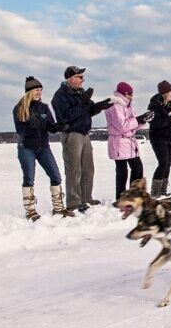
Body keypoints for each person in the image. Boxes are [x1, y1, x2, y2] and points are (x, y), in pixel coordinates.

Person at [51, 66, 114, 212]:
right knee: (74, 169)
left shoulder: (80, 94)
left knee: (88, 168)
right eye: (80, 77)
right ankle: (74, 202)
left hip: (84, 133)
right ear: (71, 78)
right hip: (72, 134)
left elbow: (88, 111)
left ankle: (86, 198)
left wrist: (100, 106)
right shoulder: (59, 96)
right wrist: (84, 102)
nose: (82, 80)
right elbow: (67, 116)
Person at [13, 76, 74, 221]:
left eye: (40, 90)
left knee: (56, 175)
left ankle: (58, 208)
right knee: (29, 178)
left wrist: (59, 126)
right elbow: (20, 131)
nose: (39, 92)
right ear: (29, 91)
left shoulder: (44, 107)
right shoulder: (19, 108)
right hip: (26, 147)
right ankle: (30, 211)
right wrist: (32, 124)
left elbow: (51, 127)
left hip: (43, 147)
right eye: (36, 90)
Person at [105, 82, 154, 200]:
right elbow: (122, 126)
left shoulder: (129, 106)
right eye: (130, 93)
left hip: (129, 142)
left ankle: (134, 195)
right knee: (122, 172)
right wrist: (138, 119)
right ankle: (121, 197)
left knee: (137, 168)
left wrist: (143, 120)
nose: (132, 96)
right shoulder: (114, 106)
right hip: (118, 141)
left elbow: (134, 126)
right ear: (124, 93)